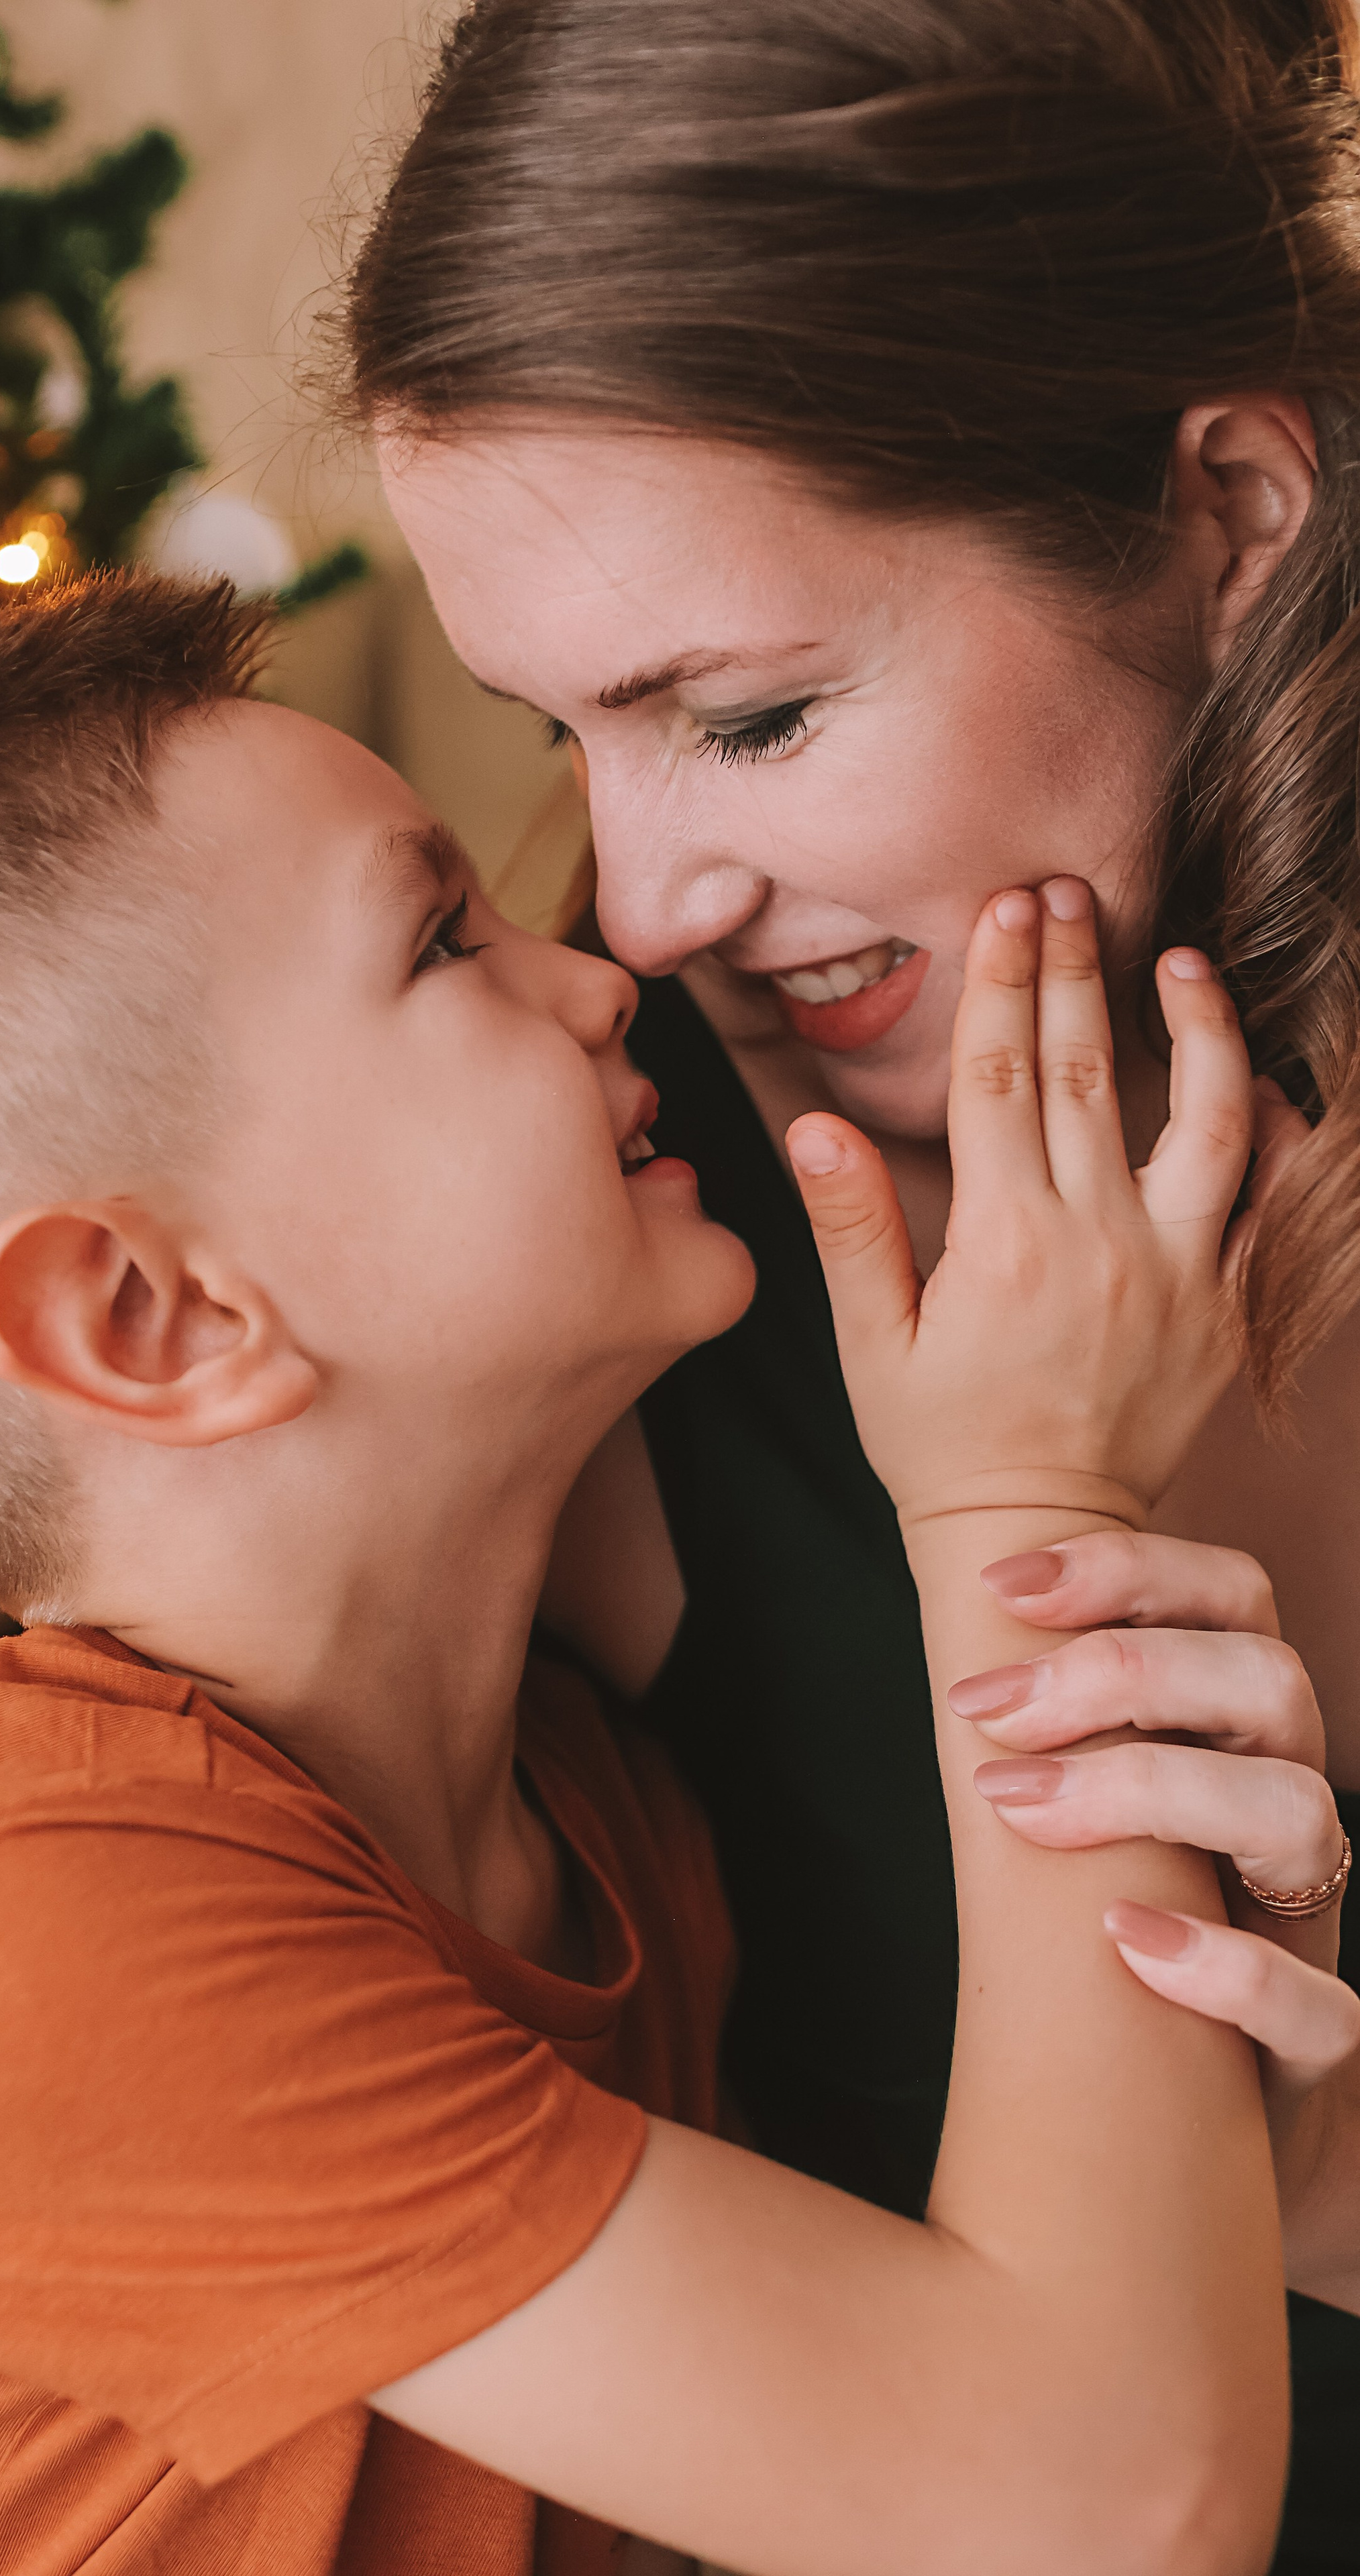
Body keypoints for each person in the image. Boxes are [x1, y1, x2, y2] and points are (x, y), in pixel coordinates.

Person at [0, 572, 1308, 2573]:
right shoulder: (28, 1941)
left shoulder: (585, 1802)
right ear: (155, 1317)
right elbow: (1107, 2513)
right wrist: (1031, 1499)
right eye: (444, 940)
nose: (604, 966)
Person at [336, 2, 1360, 2558]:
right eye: (559, 730)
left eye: (757, 718)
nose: (647, 897)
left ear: (1229, 505)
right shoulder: (616, 1237)